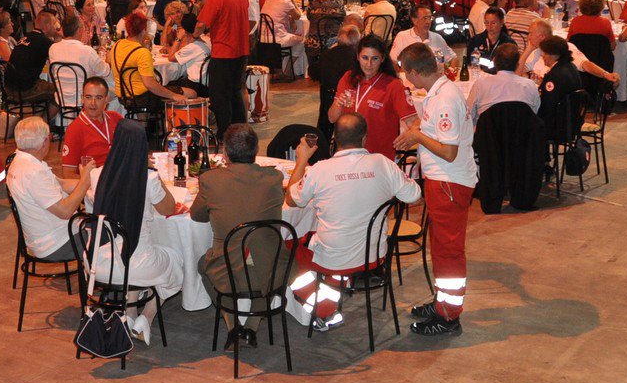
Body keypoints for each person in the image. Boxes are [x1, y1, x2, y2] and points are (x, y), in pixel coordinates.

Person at [284, 113, 421, 331]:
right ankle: (338, 286)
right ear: (365, 138)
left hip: (334, 257)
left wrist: (302, 160)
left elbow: (291, 200)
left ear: (334, 139)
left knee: (284, 250)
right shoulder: (384, 164)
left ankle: (323, 310)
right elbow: (414, 195)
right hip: (374, 255)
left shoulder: (320, 170)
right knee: (321, 245)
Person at [393, 42, 478, 337]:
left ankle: (449, 316)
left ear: (416, 72)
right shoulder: (438, 93)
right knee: (440, 248)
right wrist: (415, 130)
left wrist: (416, 136)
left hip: (449, 182)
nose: (405, 78)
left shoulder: (445, 99)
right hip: (442, 182)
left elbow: (449, 151)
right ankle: (442, 303)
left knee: (448, 252)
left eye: (406, 73)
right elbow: (427, 122)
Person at [83, 119, 185, 344]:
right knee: (176, 262)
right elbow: (168, 207)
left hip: (96, 265)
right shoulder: (148, 178)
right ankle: (146, 318)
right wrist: (156, 175)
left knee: (140, 258)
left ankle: (129, 316)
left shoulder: (97, 174)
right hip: (134, 263)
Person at [190, 123, 285, 345]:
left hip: (228, 270)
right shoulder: (274, 178)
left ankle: (233, 325)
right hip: (268, 267)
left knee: (203, 265)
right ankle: (252, 327)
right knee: (269, 266)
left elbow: (197, 216)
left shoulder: (211, 180)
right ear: (257, 150)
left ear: (224, 152)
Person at [7, 116, 94, 263]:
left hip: (47, 237)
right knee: (111, 233)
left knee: (100, 225)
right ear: (44, 142)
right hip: (56, 243)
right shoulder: (33, 173)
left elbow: (62, 184)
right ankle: (101, 280)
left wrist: (96, 181)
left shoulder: (23, 160)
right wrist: (85, 181)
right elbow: (65, 212)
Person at [326, 34, 416, 157]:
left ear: (383, 58)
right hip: (347, 155)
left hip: (378, 156)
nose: (369, 64)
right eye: (364, 57)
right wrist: (338, 104)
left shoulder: (393, 86)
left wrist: (409, 136)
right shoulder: (348, 78)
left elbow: (414, 122)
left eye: (375, 59)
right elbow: (331, 118)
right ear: (357, 57)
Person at [196, 0, 250, 133]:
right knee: (235, 91)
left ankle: (224, 131)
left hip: (223, 51)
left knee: (219, 95)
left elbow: (202, 24)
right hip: (241, 50)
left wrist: (196, 34)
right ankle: (240, 129)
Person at [60, 78, 124, 173]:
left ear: (106, 100)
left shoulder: (116, 118)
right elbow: (68, 173)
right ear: (82, 98)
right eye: (88, 97)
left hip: (121, 173)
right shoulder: (74, 129)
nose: (92, 103)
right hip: (96, 182)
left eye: (98, 98)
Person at [466, 42, 540, 122]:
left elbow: (468, 115)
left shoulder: (480, 85)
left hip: (488, 132)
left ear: (494, 62)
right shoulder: (530, 86)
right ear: (517, 65)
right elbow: (535, 113)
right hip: (520, 132)